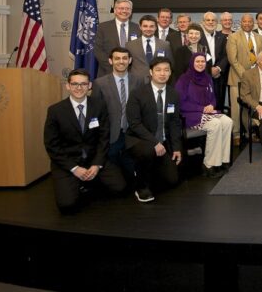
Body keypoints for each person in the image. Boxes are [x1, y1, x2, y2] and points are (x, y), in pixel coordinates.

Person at [44, 69, 126, 213]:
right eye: (75, 84)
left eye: (83, 84)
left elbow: (103, 138)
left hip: (93, 158)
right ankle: (79, 181)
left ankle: (89, 181)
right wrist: (75, 169)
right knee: (67, 204)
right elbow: (52, 146)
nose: (79, 88)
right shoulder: (55, 111)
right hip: (68, 162)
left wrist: (96, 164)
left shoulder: (99, 106)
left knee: (120, 187)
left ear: (89, 86)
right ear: (68, 86)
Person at [125, 57, 182, 203]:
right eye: (158, 70)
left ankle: (150, 168)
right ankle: (141, 186)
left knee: (172, 180)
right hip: (140, 140)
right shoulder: (137, 93)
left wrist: (176, 148)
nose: (162, 73)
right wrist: (155, 142)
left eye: (166, 70)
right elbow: (134, 124)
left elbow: (175, 122)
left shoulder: (173, 94)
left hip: (163, 142)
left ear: (170, 73)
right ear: (151, 72)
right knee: (148, 151)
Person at [175, 53, 233, 177]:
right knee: (215, 124)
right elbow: (180, 103)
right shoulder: (184, 79)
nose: (200, 64)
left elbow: (213, 98)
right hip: (189, 114)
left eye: (203, 61)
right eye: (197, 61)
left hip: (206, 112)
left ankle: (222, 160)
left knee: (228, 121)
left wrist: (212, 105)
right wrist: (202, 108)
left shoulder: (207, 77)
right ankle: (208, 165)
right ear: (192, 63)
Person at [91, 47, 145, 178]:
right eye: (117, 58)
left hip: (133, 133)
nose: (121, 61)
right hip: (111, 134)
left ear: (130, 60)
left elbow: (142, 108)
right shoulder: (99, 83)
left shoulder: (138, 80)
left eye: (125, 58)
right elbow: (95, 112)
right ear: (110, 61)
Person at [226, 13, 262, 143]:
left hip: (255, 78)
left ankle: (249, 132)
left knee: (251, 106)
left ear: (253, 23)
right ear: (241, 23)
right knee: (237, 108)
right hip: (237, 78)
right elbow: (233, 60)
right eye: (245, 21)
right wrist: (246, 75)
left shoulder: (259, 38)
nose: (247, 24)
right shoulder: (233, 37)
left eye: (250, 22)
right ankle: (236, 134)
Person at [94, 0, 140, 77]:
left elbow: (139, 52)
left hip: (131, 74)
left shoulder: (138, 28)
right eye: (121, 8)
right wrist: (115, 67)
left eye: (127, 9)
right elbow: (98, 51)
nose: (124, 11)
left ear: (131, 11)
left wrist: (128, 67)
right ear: (115, 10)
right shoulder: (103, 27)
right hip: (107, 73)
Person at [127, 14, 174, 80]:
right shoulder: (130, 45)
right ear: (140, 27)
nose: (148, 29)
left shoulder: (165, 45)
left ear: (156, 27)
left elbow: (170, 65)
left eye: (151, 26)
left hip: (158, 81)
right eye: (145, 26)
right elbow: (127, 66)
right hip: (136, 82)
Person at [199, 11, 229, 111]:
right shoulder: (198, 37)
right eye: (208, 20)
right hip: (203, 77)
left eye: (213, 20)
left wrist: (218, 68)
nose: (211, 22)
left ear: (217, 23)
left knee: (218, 104)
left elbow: (226, 56)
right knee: (204, 105)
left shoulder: (223, 37)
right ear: (203, 22)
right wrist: (209, 70)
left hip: (219, 77)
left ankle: (219, 125)